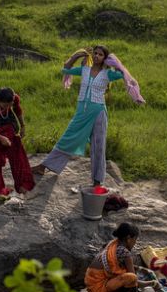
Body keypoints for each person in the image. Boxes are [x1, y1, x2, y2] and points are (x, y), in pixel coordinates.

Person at [33, 45, 122, 190]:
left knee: (98, 146)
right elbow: (65, 70)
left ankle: (97, 180)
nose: (97, 56)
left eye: (100, 54)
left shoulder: (107, 74)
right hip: (82, 112)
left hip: (98, 112)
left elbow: (121, 74)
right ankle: (44, 166)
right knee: (68, 137)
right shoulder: (84, 70)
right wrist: (75, 57)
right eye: (95, 53)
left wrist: (114, 62)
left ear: (104, 58)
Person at [84, 222, 157, 292]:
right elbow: (135, 280)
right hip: (98, 291)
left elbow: (113, 265)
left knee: (123, 271)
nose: (135, 243)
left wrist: (140, 268)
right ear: (129, 238)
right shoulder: (125, 254)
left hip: (90, 284)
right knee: (130, 277)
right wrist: (153, 283)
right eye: (135, 239)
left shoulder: (112, 244)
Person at [0, 87, 35, 196]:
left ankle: (23, 184)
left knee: (17, 152)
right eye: (5, 105)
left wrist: (23, 126)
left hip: (7, 122)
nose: (8, 107)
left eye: (10, 105)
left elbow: (18, 110)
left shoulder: (14, 98)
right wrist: (1, 138)